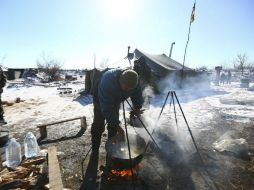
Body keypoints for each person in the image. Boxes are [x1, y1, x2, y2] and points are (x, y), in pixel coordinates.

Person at [91, 68, 143, 157]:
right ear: (120, 81)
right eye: (126, 87)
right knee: (98, 125)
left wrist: (137, 107)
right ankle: (95, 150)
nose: (128, 90)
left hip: (115, 99)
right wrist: (117, 126)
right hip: (100, 100)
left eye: (130, 88)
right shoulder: (107, 82)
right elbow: (106, 109)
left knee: (113, 127)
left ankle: (113, 150)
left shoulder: (134, 81)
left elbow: (137, 93)